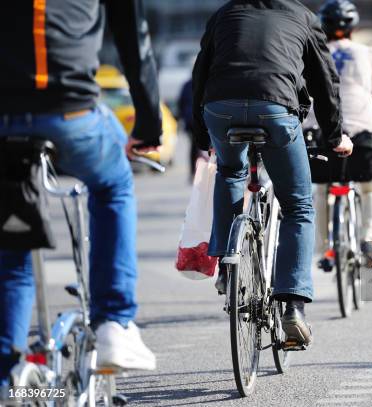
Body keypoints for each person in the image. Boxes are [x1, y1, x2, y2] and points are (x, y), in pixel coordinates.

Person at [0, 0, 161, 387]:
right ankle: (115, 323)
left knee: (11, 232)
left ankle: (7, 369)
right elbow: (133, 40)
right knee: (114, 185)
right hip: (72, 112)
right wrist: (149, 123)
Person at [191, 0, 352, 347]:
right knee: (298, 206)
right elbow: (324, 79)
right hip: (275, 108)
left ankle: (226, 268)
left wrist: (201, 135)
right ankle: (293, 305)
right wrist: (335, 135)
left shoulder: (225, 13)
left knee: (231, 171)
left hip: (220, 109)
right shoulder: (302, 16)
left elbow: (200, 73)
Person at [311, 0, 372, 264]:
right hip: (363, 129)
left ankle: (327, 249)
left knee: (322, 189)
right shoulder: (369, 53)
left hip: (323, 129)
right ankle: (370, 239)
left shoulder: (313, 53)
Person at [178, 78, 202, 178]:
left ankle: (193, 171)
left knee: (194, 146)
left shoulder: (187, 84)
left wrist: (183, 117)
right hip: (201, 118)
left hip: (190, 119)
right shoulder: (206, 81)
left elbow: (181, 103)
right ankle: (197, 171)